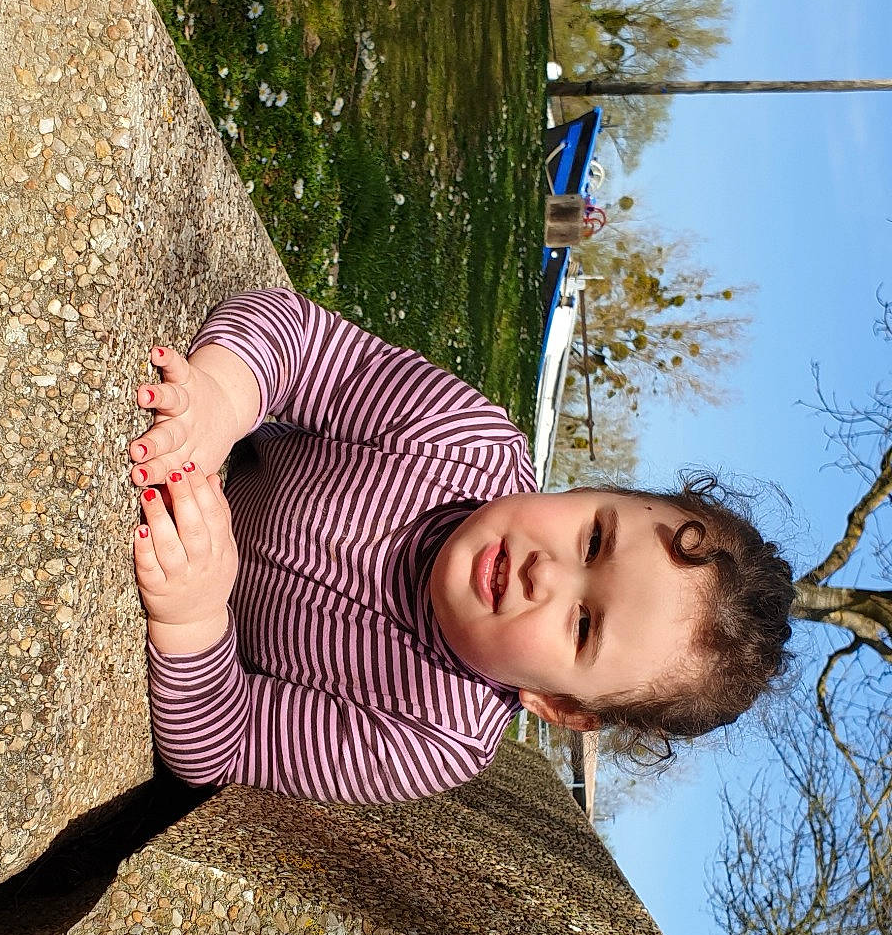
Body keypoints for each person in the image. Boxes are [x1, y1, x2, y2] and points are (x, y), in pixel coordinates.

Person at [128, 287, 795, 805]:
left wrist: (193, 618)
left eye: (584, 625)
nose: (545, 573)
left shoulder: (432, 736)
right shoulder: (469, 444)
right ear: (590, 490)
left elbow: (224, 747)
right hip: (224, 464)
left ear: (558, 705)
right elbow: (303, 341)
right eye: (594, 539)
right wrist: (221, 400)